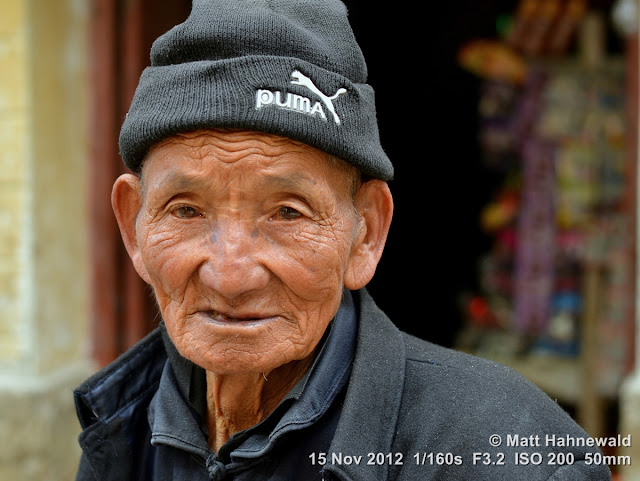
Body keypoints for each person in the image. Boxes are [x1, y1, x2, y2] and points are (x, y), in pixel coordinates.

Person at [73, 1, 611, 480]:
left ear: (366, 234)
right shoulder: (122, 426)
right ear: (134, 226)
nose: (230, 274)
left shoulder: (515, 455)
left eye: (287, 213)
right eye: (186, 210)